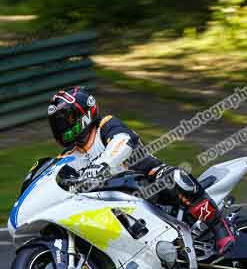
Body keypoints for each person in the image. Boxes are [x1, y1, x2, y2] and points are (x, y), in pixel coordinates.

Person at [46, 86, 236, 255]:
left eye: (66, 120)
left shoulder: (105, 125)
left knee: (175, 178)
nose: (62, 127)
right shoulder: (69, 156)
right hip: (111, 202)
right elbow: (55, 179)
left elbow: (123, 141)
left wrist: (102, 164)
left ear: (85, 113)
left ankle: (219, 226)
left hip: (148, 183)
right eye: (58, 124)